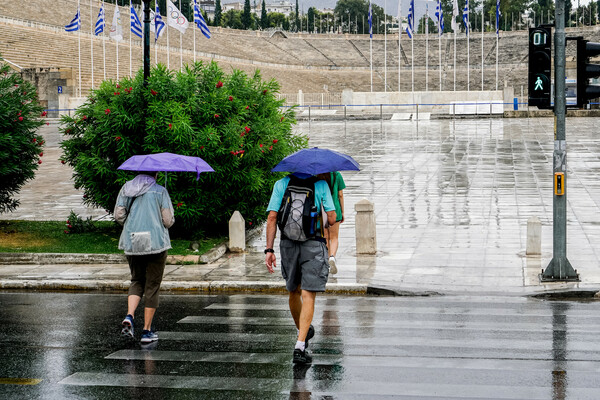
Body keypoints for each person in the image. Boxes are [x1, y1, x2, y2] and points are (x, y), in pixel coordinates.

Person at [265, 172, 336, 364]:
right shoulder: (321, 185)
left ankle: (302, 331)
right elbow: (331, 218)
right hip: (314, 244)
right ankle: (300, 344)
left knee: (293, 291)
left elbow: (272, 218)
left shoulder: (282, 183)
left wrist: (269, 249)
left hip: (288, 244)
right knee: (308, 294)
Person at [114, 171, 175, 343]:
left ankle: (130, 315)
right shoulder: (160, 191)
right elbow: (167, 221)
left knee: (137, 280)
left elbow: (119, 215)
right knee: (152, 285)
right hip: (156, 243)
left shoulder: (126, 188)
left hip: (133, 241)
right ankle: (147, 331)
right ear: (155, 174)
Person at [319, 172, 346, 274]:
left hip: (322, 211)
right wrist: (343, 212)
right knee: (334, 237)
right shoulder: (337, 175)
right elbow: (340, 195)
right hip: (335, 210)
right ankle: (332, 257)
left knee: (325, 236)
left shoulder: (317, 175)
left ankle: (326, 260)